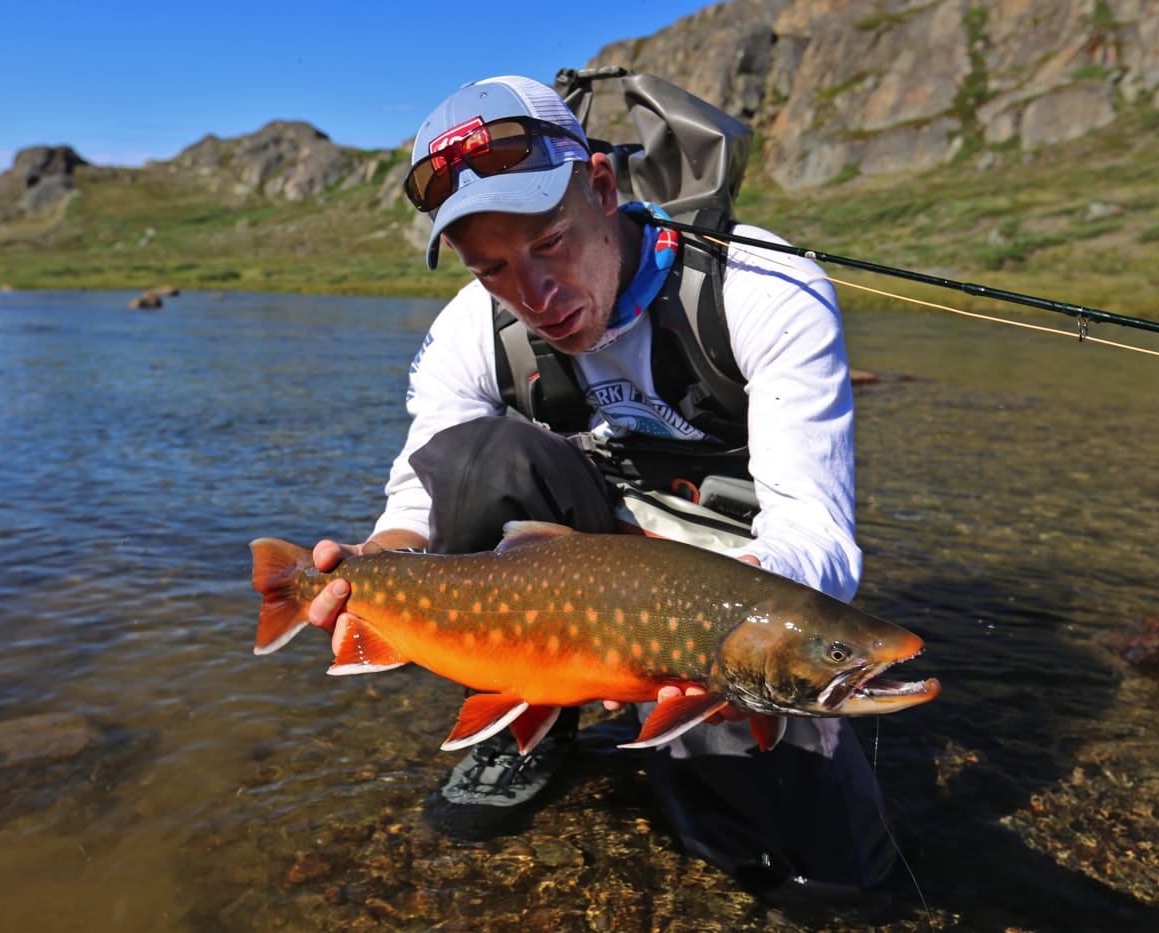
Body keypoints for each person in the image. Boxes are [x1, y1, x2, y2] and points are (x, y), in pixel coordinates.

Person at [306, 74, 895, 899]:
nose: (534, 297)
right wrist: (381, 566)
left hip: (743, 581)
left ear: (604, 187)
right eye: (494, 269)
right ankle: (528, 716)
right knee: (476, 459)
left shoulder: (764, 289)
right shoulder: (469, 333)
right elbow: (422, 490)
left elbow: (818, 529)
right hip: (580, 565)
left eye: (550, 244)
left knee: (816, 866)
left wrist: (731, 642)